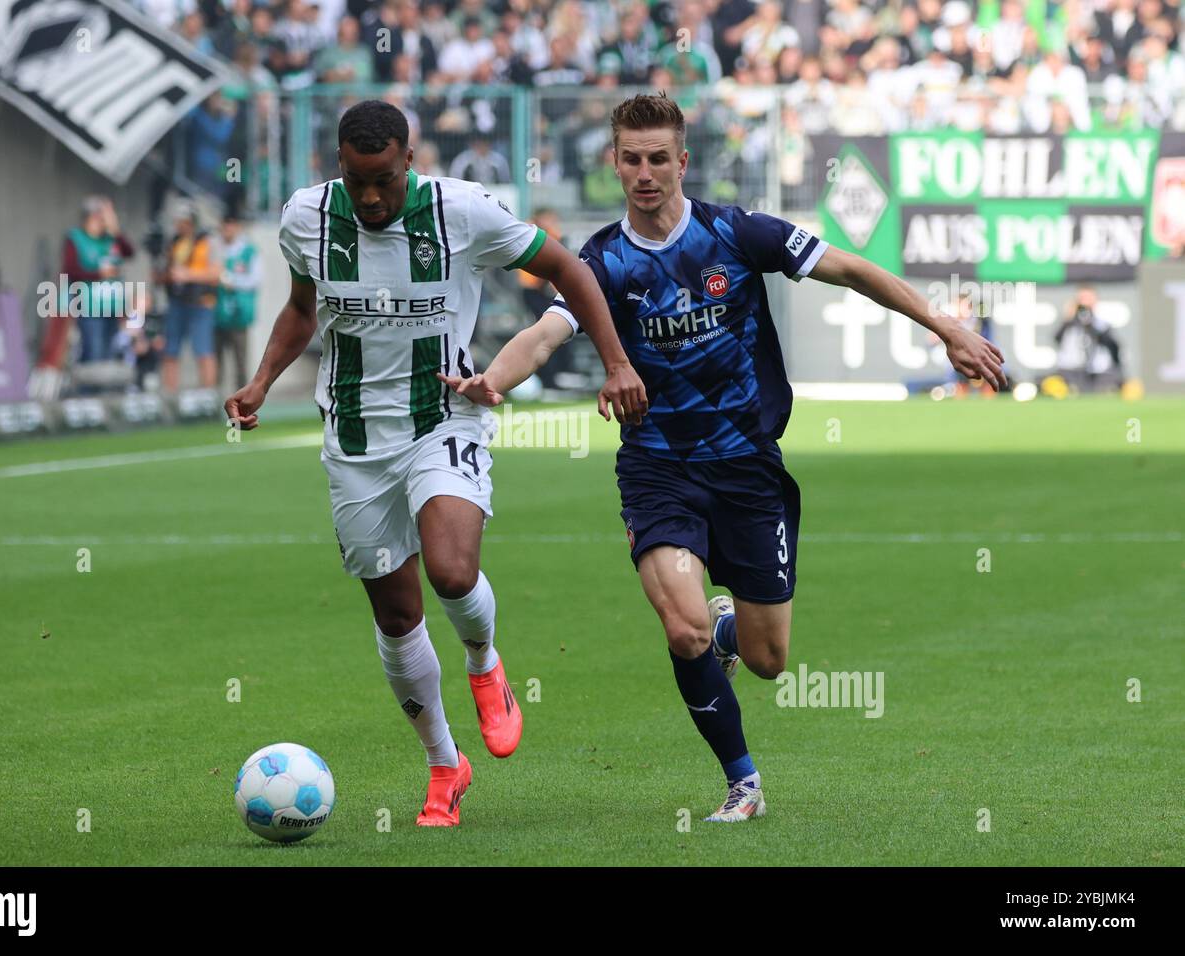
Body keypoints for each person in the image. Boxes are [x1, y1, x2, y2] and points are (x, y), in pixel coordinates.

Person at [439, 93, 1004, 823]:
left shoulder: (735, 233)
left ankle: (731, 630)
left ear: (682, 161)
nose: (645, 174)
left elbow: (852, 270)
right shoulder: (602, 261)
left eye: (658, 159)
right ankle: (743, 782)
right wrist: (493, 380)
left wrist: (944, 326)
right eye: (631, 159)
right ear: (614, 162)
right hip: (658, 469)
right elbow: (547, 333)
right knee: (683, 630)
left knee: (769, 661)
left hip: (747, 467)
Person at [223, 101, 646, 827]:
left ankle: (484, 662)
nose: (373, 198)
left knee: (451, 569)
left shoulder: (464, 212)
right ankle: (445, 764)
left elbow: (568, 270)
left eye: (384, 179)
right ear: (339, 169)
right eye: (358, 183)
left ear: (409, 162)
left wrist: (615, 362)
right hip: (355, 438)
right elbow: (301, 308)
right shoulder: (307, 219)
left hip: (445, 413)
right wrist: (262, 380)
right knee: (396, 613)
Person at [63, 196, 135, 365]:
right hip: (89, 307)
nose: (103, 223)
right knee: (93, 353)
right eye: (101, 218)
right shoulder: (76, 238)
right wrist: (99, 274)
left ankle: (104, 390)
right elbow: (71, 271)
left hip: (112, 307)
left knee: (108, 354)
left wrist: (116, 230)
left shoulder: (110, 240)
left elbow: (129, 252)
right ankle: (88, 390)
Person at [162, 205, 220, 391]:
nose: (180, 225)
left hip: (201, 302)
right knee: (171, 350)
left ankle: (207, 393)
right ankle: (170, 394)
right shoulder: (174, 242)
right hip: (177, 301)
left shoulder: (207, 242)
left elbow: (216, 274)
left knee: (203, 350)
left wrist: (188, 275)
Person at [214, 213, 260, 392]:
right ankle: (215, 398)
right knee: (216, 358)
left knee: (240, 359)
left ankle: (242, 397)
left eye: (230, 225)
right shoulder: (216, 248)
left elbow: (255, 280)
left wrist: (232, 281)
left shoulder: (249, 251)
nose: (227, 230)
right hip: (218, 313)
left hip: (239, 313)